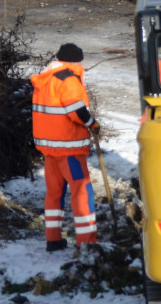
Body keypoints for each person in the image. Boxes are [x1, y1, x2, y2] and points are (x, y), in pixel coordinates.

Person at [31, 43, 99, 251]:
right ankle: (87, 243)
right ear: (73, 61)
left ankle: (53, 239)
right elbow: (77, 112)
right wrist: (93, 124)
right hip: (69, 149)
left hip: (50, 150)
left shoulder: (45, 79)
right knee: (81, 192)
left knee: (54, 193)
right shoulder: (68, 79)